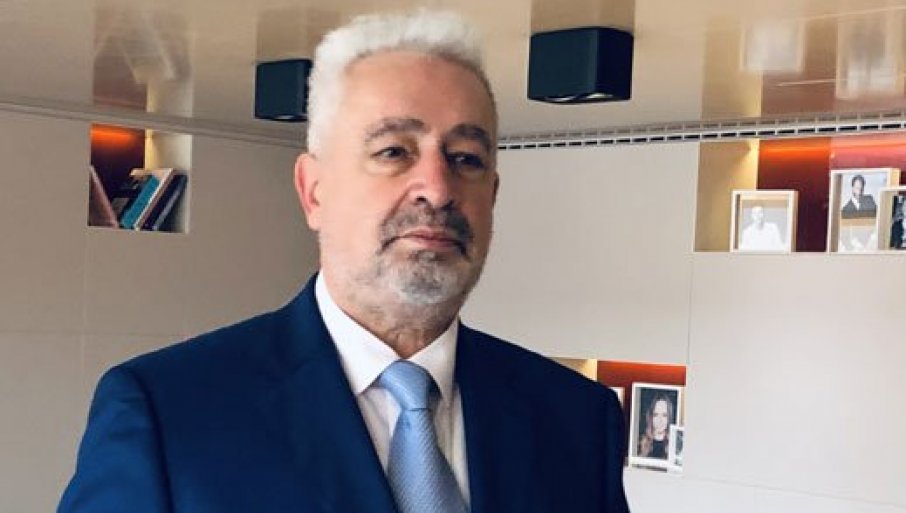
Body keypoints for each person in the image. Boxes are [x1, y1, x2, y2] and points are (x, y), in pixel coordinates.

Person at [58, 10, 630, 513]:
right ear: (314, 191)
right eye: (394, 151)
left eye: (465, 158)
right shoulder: (168, 413)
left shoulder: (576, 419)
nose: (437, 188)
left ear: (493, 195)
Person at [637, 392, 674, 460]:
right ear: (650, 417)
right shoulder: (641, 442)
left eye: (664, 415)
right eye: (656, 415)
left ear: (669, 417)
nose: (660, 420)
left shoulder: (674, 445)